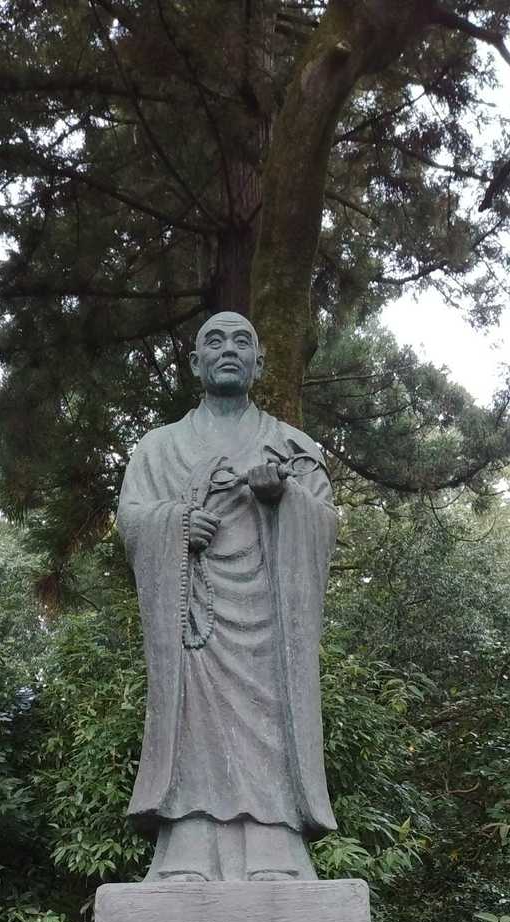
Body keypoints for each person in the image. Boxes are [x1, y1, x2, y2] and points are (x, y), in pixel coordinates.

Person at [116, 311, 338, 881]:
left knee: (269, 721)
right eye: (214, 341)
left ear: (259, 363)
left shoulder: (290, 444)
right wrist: (176, 525)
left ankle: (274, 849)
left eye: (243, 341)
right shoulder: (158, 448)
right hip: (194, 615)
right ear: (195, 363)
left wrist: (281, 498)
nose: (229, 349)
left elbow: (323, 519)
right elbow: (132, 521)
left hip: (268, 615)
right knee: (192, 723)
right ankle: (188, 849)